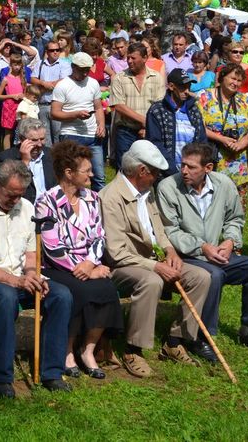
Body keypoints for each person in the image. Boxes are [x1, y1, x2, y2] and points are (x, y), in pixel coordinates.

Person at [99, 141, 214, 376]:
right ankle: (133, 349)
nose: (158, 178)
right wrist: (156, 266)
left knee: (201, 276)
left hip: (151, 261)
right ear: (142, 171)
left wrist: (170, 251)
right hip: (122, 266)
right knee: (151, 281)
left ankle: (175, 341)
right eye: (155, 173)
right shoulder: (110, 197)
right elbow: (117, 253)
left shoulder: (146, 192)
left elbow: (158, 229)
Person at [0, 160, 73, 395]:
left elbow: (31, 254)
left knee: (61, 295)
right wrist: (17, 281)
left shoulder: (27, 208)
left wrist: (32, 276)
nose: (15, 201)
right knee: (6, 297)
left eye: (19, 195)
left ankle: (51, 371)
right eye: (11, 195)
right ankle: (0, 376)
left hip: (19, 276)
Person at [156, 142, 248, 351]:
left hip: (216, 254)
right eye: (182, 164)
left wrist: (230, 241)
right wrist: (202, 247)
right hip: (185, 257)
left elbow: (235, 218)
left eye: (191, 167)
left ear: (208, 168)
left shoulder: (224, 184)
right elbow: (170, 231)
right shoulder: (168, 187)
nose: (184, 171)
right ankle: (202, 335)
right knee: (214, 276)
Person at [36, 140, 123, 380]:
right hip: (58, 266)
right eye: (87, 170)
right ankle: (66, 351)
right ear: (69, 173)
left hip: (87, 264)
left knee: (107, 289)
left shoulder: (92, 198)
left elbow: (99, 236)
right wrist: (83, 268)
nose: (92, 174)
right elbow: (52, 247)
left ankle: (89, 350)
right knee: (79, 291)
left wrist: (92, 263)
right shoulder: (47, 201)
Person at [197, 63, 248, 206]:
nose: (235, 83)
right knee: (213, 206)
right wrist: (221, 138)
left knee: (237, 208)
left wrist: (243, 143)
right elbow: (198, 126)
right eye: (232, 78)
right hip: (214, 158)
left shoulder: (245, 100)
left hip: (239, 159)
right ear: (222, 77)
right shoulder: (205, 97)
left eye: (239, 80)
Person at [51, 51, 105, 190]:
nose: (85, 74)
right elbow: (55, 113)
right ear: (73, 67)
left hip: (93, 135)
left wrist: (102, 125)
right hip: (71, 134)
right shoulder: (62, 85)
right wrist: (75, 115)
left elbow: (98, 107)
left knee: (98, 176)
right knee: (72, 175)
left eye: (87, 70)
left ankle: (98, 208)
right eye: (82, 70)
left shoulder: (93, 83)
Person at [110, 42, 165, 169]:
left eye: (133, 58)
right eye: (128, 57)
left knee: (150, 168)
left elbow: (159, 106)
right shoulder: (119, 78)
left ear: (145, 58)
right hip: (126, 131)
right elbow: (118, 105)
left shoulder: (156, 77)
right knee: (125, 169)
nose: (129, 61)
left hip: (149, 132)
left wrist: (148, 127)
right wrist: (145, 121)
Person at [145, 69, 207, 176]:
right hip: (164, 174)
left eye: (189, 86)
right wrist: (171, 170)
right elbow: (155, 143)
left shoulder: (194, 110)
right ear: (171, 86)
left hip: (192, 173)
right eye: (183, 87)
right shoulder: (157, 110)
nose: (187, 91)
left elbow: (202, 141)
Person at [0, 117, 55, 205]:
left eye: (42, 139)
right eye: (34, 140)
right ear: (21, 139)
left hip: (50, 208)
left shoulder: (52, 155)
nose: (39, 144)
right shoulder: (6, 158)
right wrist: (24, 162)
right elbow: (11, 188)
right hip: (23, 207)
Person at [30, 39, 72, 146]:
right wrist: (44, 83)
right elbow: (33, 79)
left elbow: (64, 80)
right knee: (45, 136)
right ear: (47, 52)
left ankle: (59, 159)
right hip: (42, 105)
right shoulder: (40, 64)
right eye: (52, 50)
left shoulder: (64, 64)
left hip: (57, 106)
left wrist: (49, 85)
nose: (55, 52)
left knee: (58, 135)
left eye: (58, 50)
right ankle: (48, 160)